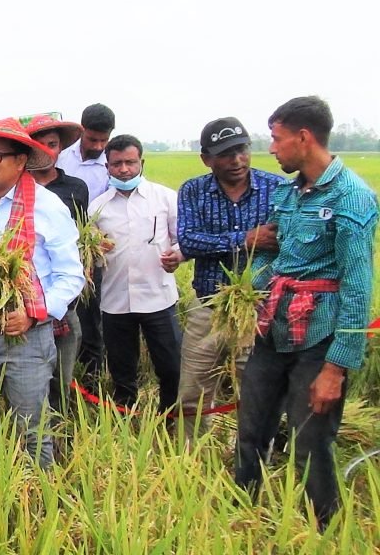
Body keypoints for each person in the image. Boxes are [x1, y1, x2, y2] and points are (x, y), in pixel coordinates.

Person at [235, 96, 378, 529]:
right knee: (251, 428)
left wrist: (336, 368)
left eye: (277, 140)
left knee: (310, 440)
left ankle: (324, 528)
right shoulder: (288, 191)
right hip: (273, 330)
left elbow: (357, 290)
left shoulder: (352, 198)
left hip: (320, 339)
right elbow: (275, 256)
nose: (272, 149)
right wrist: (246, 291)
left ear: (303, 137)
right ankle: (241, 513)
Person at [0, 118, 85, 467]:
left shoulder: (47, 206)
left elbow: (71, 276)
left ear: (21, 160)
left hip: (26, 340)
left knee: (33, 429)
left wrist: (33, 313)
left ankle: (37, 503)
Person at [176, 117, 283, 439]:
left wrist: (220, 242)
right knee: (192, 392)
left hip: (258, 310)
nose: (237, 160)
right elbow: (189, 241)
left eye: (242, 150)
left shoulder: (276, 188)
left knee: (254, 392)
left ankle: (251, 459)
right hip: (207, 307)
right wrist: (245, 240)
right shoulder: (193, 191)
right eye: (225, 153)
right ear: (206, 158)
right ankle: (186, 460)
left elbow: (284, 240)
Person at [89, 134, 183, 414]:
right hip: (116, 301)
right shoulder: (98, 207)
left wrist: (177, 256)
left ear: (141, 162)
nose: (124, 170)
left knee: (170, 366)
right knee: (121, 369)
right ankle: (125, 419)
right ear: (107, 167)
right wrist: (95, 249)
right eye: (117, 164)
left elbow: (182, 240)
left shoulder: (165, 198)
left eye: (130, 162)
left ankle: (170, 418)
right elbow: (89, 251)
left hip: (159, 298)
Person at [24, 114, 89, 464]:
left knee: (58, 386)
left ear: (59, 147)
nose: (46, 151)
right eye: (39, 144)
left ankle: (58, 448)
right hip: (21, 312)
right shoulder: (13, 192)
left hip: (59, 308)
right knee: (27, 390)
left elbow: (77, 240)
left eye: (51, 144)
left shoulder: (74, 188)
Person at [57, 104, 115, 394]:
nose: (99, 146)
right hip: (60, 251)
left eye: (104, 140)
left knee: (93, 316)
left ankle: (91, 379)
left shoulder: (110, 165)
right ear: (81, 131)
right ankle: (62, 376)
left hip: (94, 254)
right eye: (93, 139)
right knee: (64, 312)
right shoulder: (61, 158)